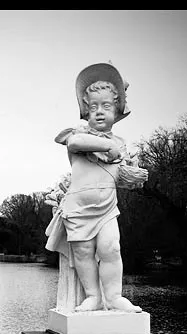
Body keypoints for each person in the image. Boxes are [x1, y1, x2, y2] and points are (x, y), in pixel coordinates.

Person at [45, 62, 147, 313]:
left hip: (107, 208)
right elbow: (76, 143)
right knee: (84, 253)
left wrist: (132, 175)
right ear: (86, 111)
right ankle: (93, 296)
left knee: (111, 248)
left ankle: (114, 297)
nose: (99, 112)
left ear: (117, 110)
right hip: (78, 209)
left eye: (106, 106)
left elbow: (118, 176)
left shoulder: (120, 143)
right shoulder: (77, 135)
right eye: (93, 107)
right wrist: (107, 147)